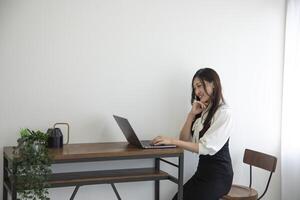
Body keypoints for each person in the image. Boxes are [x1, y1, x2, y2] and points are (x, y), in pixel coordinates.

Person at [152, 68, 233, 200]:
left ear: (213, 84)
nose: (197, 92)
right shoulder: (204, 111)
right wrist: (191, 114)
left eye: (199, 85)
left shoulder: (224, 113)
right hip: (202, 174)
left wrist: (171, 141)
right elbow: (184, 140)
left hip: (219, 177)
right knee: (177, 198)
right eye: (195, 88)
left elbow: (204, 147)